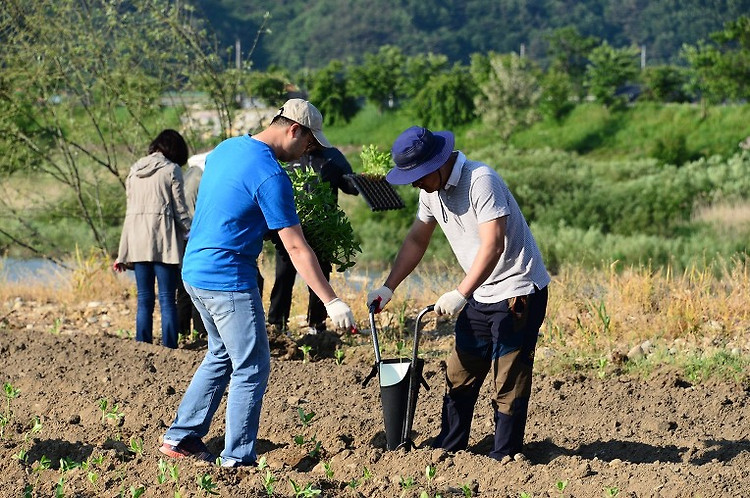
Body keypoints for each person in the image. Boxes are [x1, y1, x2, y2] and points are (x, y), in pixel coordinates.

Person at [159, 99, 355, 467]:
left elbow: (229, 204)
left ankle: (181, 436)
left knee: (221, 353)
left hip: (195, 271)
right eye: (309, 143)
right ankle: (237, 459)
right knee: (252, 365)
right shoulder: (272, 176)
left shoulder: (227, 148)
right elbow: (295, 247)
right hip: (227, 277)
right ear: (293, 130)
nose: (308, 152)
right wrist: (331, 301)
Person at [367, 126, 550, 461]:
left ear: (437, 164)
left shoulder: (481, 180)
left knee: (508, 379)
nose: (415, 185)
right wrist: (388, 286)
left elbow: (494, 245)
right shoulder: (430, 191)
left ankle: (505, 456)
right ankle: (449, 448)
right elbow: (417, 239)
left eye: (418, 177)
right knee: (459, 373)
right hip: (480, 291)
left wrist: (460, 293)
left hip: (517, 290)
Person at [267, 146, 358, 333]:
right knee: (283, 277)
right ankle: (277, 325)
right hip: (290, 229)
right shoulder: (287, 155)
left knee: (321, 276)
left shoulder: (332, 156)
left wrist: (364, 180)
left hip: (322, 231)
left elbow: (351, 188)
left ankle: (317, 326)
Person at [114, 129, 191, 349]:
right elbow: (180, 210)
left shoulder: (134, 171)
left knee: (144, 299)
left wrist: (123, 252)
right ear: (175, 149)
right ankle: (169, 349)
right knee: (167, 298)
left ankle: (142, 347)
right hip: (163, 241)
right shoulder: (171, 170)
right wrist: (193, 232)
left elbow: (130, 212)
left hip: (137, 241)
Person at [175, 152, 209, 339]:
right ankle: (199, 331)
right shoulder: (201, 177)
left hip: (183, 236)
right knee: (197, 287)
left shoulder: (189, 174)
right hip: (195, 236)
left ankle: (183, 331)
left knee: (184, 287)